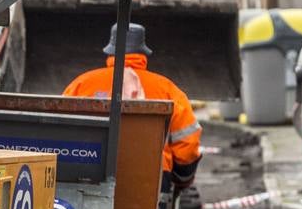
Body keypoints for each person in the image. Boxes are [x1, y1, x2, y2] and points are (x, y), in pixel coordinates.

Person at [62, 23, 202, 191]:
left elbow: (60, 132)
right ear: (143, 53)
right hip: (151, 178)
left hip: (87, 173)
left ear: (110, 51)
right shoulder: (167, 89)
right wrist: (181, 179)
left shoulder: (81, 84)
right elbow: (187, 144)